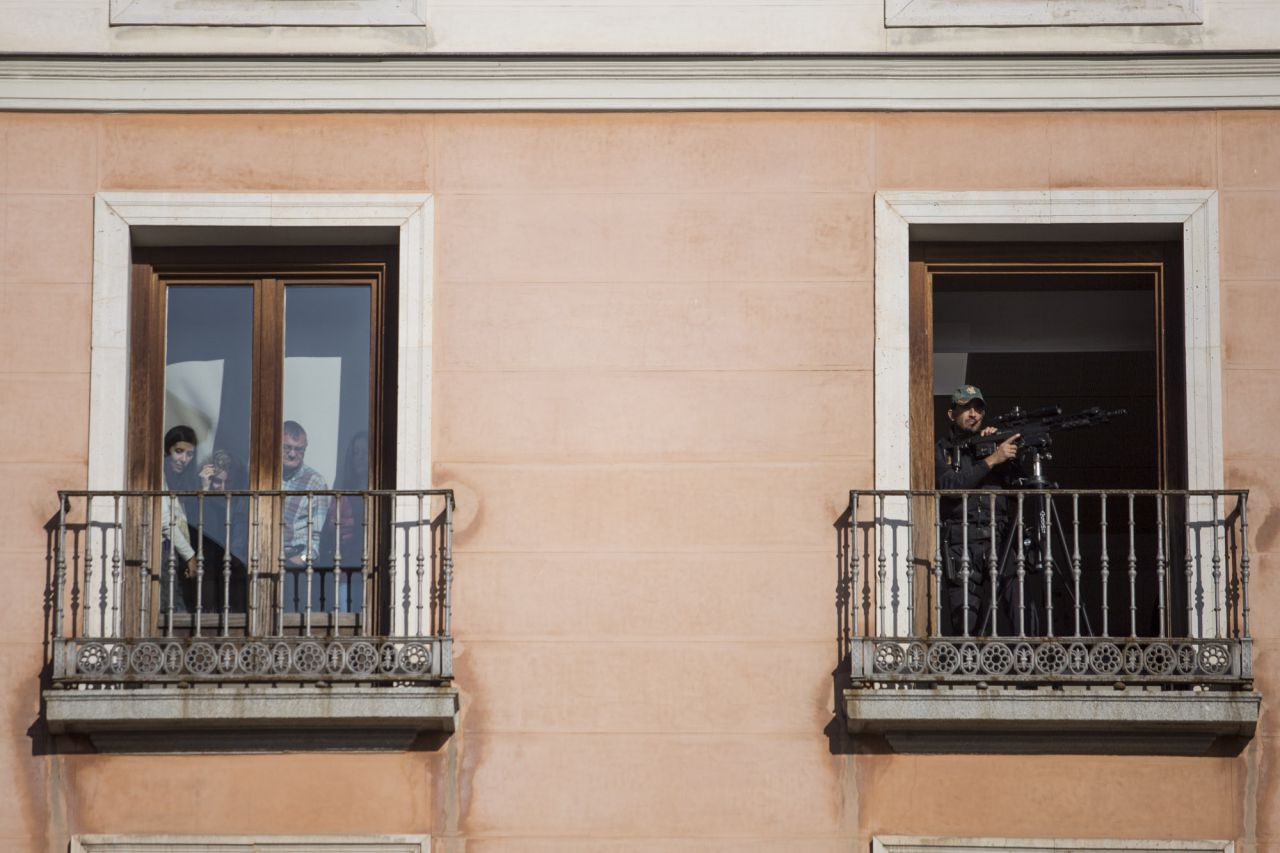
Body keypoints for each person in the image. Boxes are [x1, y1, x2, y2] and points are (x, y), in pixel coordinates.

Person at [934, 385, 1023, 637]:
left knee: (1019, 607)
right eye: (966, 409)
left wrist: (1001, 449)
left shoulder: (992, 441)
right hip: (961, 541)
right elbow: (949, 486)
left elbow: (1019, 481)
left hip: (1000, 537)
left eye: (978, 409)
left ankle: (1032, 664)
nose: (973, 414)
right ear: (952, 414)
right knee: (965, 617)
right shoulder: (942, 450)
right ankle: (968, 672)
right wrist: (991, 459)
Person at [280, 420, 333, 613]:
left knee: (292, 626)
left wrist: (301, 559)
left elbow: (317, 537)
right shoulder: (265, 475)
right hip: (262, 559)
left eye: (299, 449)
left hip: (294, 566)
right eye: (287, 448)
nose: (293, 454)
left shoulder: (315, 482)